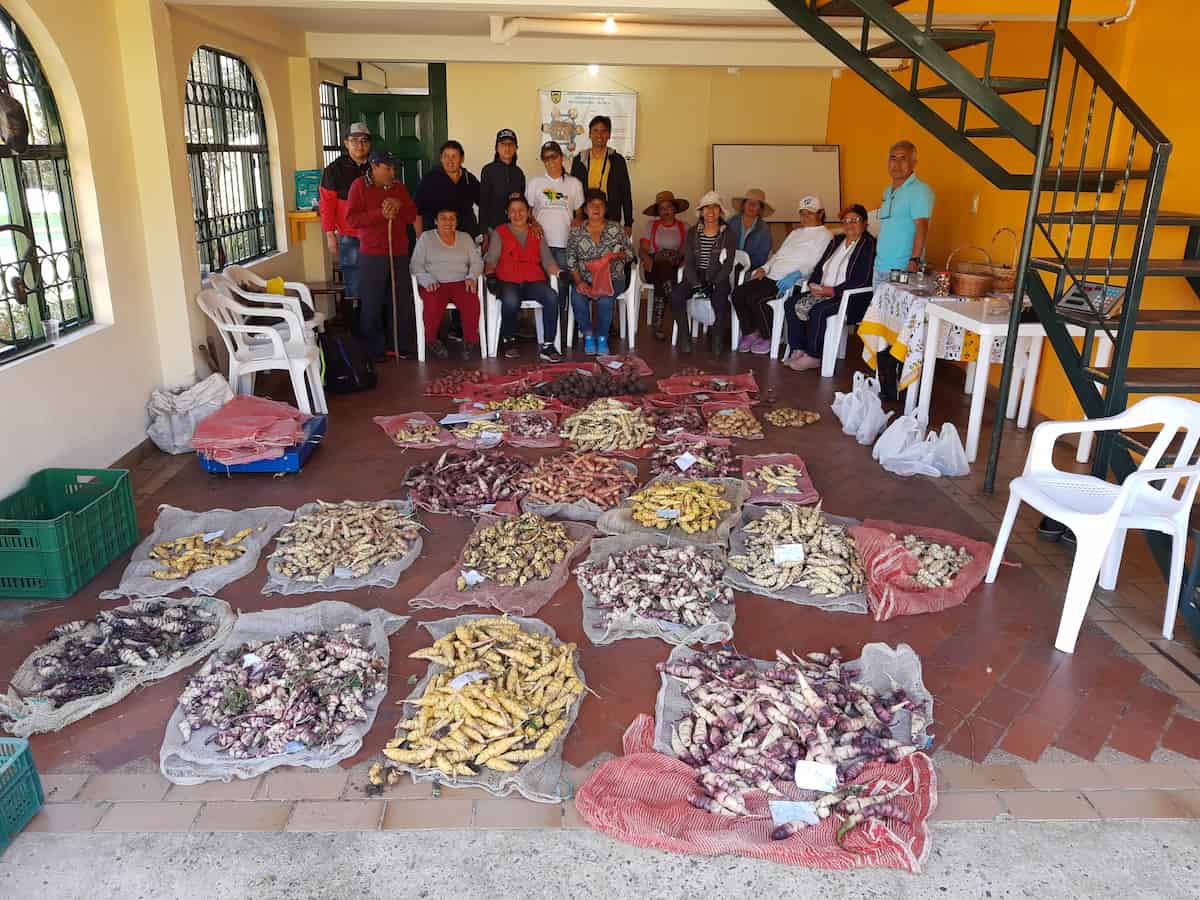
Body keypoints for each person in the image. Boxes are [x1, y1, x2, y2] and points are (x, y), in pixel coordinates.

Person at [730, 195, 832, 355]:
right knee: (738, 293)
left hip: (790, 281)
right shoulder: (795, 233)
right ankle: (750, 332)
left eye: (810, 213)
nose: (805, 217)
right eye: (802, 213)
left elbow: (816, 264)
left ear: (821, 213)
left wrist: (797, 274)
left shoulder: (825, 236)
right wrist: (764, 268)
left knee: (756, 300)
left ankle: (769, 336)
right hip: (772, 275)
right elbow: (778, 255)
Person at [344, 150, 419, 360]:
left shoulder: (399, 188)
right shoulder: (359, 186)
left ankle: (398, 344)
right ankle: (373, 349)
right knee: (372, 301)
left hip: (399, 252)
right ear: (374, 166)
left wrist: (399, 204)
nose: (392, 172)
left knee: (399, 300)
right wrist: (380, 213)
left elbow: (411, 215)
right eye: (387, 168)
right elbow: (351, 220)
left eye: (394, 168)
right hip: (373, 252)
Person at [784, 204, 877, 372]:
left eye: (854, 220)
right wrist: (813, 282)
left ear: (864, 223)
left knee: (818, 310)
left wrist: (833, 291)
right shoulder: (837, 241)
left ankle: (814, 355)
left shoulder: (869, 245)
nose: (849, 224)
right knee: (791, 303)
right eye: (845, 221)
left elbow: (862, 279)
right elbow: (820, 266)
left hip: (848, 297)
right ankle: (799, 348)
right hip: (823, 291)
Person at [484, 194, 564, 363]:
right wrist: (490, 275)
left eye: (521, 210)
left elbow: (548, 260)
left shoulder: (537, 232)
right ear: (507, 213)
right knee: (511, 300)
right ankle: (508, 338)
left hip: (533, 280)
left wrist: (560, 273)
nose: (517, 214)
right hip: (508, 279)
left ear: (528, 212)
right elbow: (491, 259)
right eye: (512, 211)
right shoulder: (500, 232)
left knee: (552, 297)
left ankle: (548, 344)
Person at [410, 207, 484, 360]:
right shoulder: (426, 238)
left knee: (471, 301)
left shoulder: (465, 237)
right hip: (435, 282)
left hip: (461, 281)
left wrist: (472, 276)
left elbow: (477, 262)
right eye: (443, 218)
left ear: (457, 221)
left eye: (452, 218)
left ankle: (470, 340)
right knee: (432, 302)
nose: (448, 222)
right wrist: (426, 279)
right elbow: (415, 265)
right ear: (436, 221)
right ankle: (431, 340)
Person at [526, 140, 584, 334]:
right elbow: (527, 212)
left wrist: (577, 220)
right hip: (541, 245)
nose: (551, 161)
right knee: (542, 288)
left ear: (562, 157)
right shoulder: (535, 183)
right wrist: (533, 223)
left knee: (562, 289)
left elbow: (579, 213)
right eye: (546, 158)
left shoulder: (574, 184)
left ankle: (562, 331)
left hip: (565, 244)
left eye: (554, 157)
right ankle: (544, 330)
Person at [565, 188, 632, 355]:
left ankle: (602, 337)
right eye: (592, 205)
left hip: (612, 277)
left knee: (605, 300)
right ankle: (588, 335)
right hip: (585, 278)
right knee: (577, 297)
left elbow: (631, 253)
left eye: (600, 205)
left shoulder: (616, 228)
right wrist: (579, 281)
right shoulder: (577, 232)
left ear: (605, 209)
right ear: (586, 209)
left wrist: (619, 255)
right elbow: (570, 259)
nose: (596, 208)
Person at [669, 191, 737, 354]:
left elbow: (728, 265)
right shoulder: (693, 232)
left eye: (715, 207)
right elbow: (689, 261)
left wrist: (712, 284)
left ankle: (717, 340)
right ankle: (685, 337)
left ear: (720, 211)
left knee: (720, 300)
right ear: (701, 212)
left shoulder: (728, 233)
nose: (710, 212)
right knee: (676, 296)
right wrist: (697, 285)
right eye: (706, 208)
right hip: (696, 276)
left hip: (718, 277)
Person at [318, 122, 372, 302]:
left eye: (364, 140)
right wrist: (330, 235)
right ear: (346, 143)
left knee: (378, 284)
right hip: (350, 237)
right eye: (354, 140)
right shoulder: (333, 170)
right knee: (355, 286)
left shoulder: (378, 166)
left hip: (376, 235)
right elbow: (326, 205)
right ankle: (357, 327)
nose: (359, 145)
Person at [873, 140, 934, 287]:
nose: (897, 164)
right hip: (880, 266)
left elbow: (922, 226)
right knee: (878, 310)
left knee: (895, 309)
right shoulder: (887, 191)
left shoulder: (920, 190)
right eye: (893, 158)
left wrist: (914, 260)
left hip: (902, 269)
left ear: (914, 163)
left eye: (903, 158)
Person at [637, 190, 689, 340]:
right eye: (662, 208)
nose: (666, 211)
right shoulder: (650, 226)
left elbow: (687, 252)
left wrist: (679, 261)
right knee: (663, 268)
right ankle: (676, 308)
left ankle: (658, 323)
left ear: (675, 209)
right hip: (653, 267)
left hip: (675, 269)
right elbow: (643, 250)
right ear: (658, 211)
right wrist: (647, 258)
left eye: (669, 207)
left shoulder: (684, 227)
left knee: (665, 272)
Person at [569, 116, 633, 235]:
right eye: (596, 131)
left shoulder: (617, 160)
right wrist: (576, 216)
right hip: (586, 217)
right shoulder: (579, 160)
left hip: (611, 216)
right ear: (589, 134)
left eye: (604, 131)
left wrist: (628, 223)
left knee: (610, 253)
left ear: (609, 135)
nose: (600, 135)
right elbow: (573, 191)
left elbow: (626, 192)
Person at [415, 139, 481, 237]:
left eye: (454, 156)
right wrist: (420, 238)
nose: (450, 160)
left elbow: (483, 203)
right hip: (436, 237)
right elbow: (417, 211)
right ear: (441, 158)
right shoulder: (430, 179)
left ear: (462, 159)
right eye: (446, 156)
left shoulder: (469, 179)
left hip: (465, 237)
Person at [479, 128, 525, 238]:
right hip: (494, 230)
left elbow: (522, 204)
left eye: (511, 144)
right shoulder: (488, 170)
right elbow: (483, 203)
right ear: (497, 148)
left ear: (516, 148)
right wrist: (484, 231)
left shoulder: (519, 173)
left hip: (515, 230)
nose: (507, 148)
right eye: (503, 144)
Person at [727, 187, 774, 273]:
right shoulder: (732, 221)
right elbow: (723, 244)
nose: (751, 206)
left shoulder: (764, 229)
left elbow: (761, 256)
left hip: (750, 269)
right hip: (728, 264)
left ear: (760, 208)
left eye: (756, 204)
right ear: (744, 205)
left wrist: (745, 267)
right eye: (749, 202)